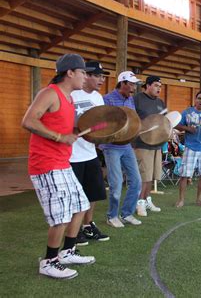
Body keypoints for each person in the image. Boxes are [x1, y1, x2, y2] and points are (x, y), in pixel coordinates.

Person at [22, 53, 95, 279]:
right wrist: (58, 137)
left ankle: (67, 252)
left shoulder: (70, 98)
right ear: (70, 72)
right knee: (61, 216)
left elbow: (65, 127)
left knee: (81, 206)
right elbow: (28, 120)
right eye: (83, 72)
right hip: (46, 164)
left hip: (62, 163)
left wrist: (76, 133)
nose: (85, 76)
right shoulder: (49, 93)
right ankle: (49, 261)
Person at [70, 61, 109, 244]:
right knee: (75, 195)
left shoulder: (98, 97)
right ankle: (74, 230)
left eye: (102, 76)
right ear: (86, 75)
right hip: (71, 155)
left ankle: (87, 226)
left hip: (90, 153)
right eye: (98, 76)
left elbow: (99, 125)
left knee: (92, 193)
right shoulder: (71, 93)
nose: (102, 79)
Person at [101, 71, 142, 227]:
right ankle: (112, 216)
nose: (133, 88)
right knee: (116, 183)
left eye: (134, 84)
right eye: (131, 84)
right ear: (122, 83)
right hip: (111, 147)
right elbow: (102, 124)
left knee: (136, 181)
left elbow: (133, 121)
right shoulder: (107, 99)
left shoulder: (130, 100)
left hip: (126, 146)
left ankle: (127, 214)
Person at [175, 91, 201, 208]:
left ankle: (199, 199)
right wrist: (187, 128)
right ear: (195, 99)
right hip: (191, 147)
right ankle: (181, 200)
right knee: (184, 175)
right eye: (199, 98)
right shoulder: (187, 112)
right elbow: (176, 125)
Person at [133, 75, 165, 217]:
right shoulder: (137, 99)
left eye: (160, 86)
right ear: (148, 85)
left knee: (152, 175)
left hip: (157, 143)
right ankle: (139, 203)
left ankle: (146, 200)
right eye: (157, 85)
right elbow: (131, 119)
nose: (159, 88)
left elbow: (164, 121)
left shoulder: (160, 103)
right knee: (144, 175)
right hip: (141, 143)